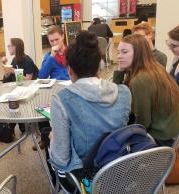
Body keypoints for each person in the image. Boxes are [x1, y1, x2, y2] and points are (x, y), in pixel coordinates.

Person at [49, 31, 131, 191]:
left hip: (84, 179)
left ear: (70, 70)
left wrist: (53, 138)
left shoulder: (61, 100)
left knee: (51, 147)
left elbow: (61, 159)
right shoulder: (124, 92)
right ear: (99, 68)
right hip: (119, 171)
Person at [113, 34, 179, 146]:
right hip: (171, 131)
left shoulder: (140, 79)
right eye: (118, 52)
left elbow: (142, 123)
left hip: (161, 138)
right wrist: (120, 70)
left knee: (113, 142)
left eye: (124, 52)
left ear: (138, 53)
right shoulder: (154, 66)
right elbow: (118, 93)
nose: (119, 56)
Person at [1, 38, 39, 133]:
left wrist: (14, 71)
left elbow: (29, 80)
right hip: (18, 88)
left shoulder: (27, 60)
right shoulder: (14, 59)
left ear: (15, 47)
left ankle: (22, 124)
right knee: (8, 98)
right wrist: (6, 69)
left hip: (28, 89)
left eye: (9, 46)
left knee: (13, 99)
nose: (8, 47)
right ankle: (12, 125)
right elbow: (6, 79)